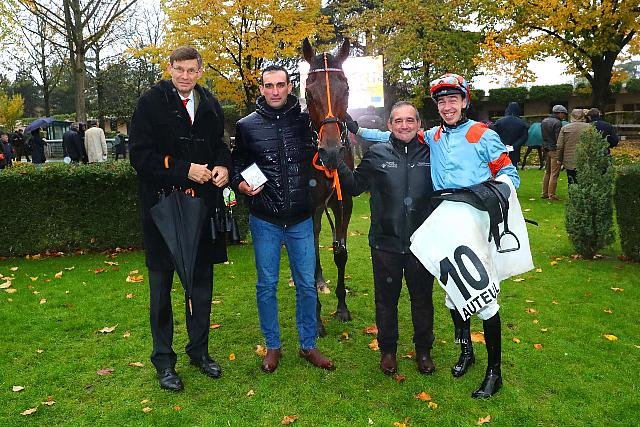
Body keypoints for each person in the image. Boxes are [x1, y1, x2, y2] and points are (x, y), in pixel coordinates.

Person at [354, 73, 520, 398]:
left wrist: (488, 194)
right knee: (455, 295)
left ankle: (495, 371)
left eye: (453, 100)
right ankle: (466, 352)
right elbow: (391, 132)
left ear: (464, 101)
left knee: (484, 299)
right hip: (442, 226)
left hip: (472, 224)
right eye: (442, 102)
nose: (447, 107)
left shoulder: (483, 134)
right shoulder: (433, 135)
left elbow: (509, 174)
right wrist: (355, 129)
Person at [129, 45, 232, 392]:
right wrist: (185, 170)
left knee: (201, 287)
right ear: (170, 68)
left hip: (202, 210)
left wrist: (223, 167)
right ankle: (163, 361)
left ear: (200, 71)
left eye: (191, 70)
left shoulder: (210, 102)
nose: (185, 76)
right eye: (179, 69)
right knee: (161, 290)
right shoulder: (150, 102)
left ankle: (199, 352)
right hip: (162, 210)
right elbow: (140, 156)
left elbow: (220, 145)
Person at [230, 65, 335, 374]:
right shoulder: (246, 125)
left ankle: (308, 344)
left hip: (301, 219)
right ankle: (273, 346)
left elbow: (332, 133)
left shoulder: (306, 122)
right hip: (265, 219)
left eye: (280, 84)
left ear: (290, 87)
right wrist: (240, 183)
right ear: (261, 89)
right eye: (269, 85)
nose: (275, 90)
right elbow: (237, 163)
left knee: (307, 285)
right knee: (267, 285)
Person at [325, 101, 436, 376]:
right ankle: (388, 350)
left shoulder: (432, 153)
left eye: (410, 120)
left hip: (423, 244)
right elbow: (355, 186)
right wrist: (337, 163)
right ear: (389, 125)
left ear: (419, 124)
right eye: (398, 120)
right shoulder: (377, 153)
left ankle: (423, 350)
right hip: (385, 243)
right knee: (386, 301)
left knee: (422, 300)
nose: (404, 125)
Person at [557, 108, 591, 185]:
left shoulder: (565, 128)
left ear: (572, 116)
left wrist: (559, 159)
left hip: (569, 158)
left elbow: (560, 146)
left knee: (571, 181)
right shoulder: (590, 127)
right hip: (585, 157)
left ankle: (572, 192)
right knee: (584, 181)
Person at [541, 104, 567, 201]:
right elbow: (558, 138)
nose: (564, 116)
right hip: (554, 150)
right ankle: (551, 194)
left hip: (546, 148)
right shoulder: (558, 123)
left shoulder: (544, 121)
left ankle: (544, 193)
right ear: (559, 113)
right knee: (554, 173)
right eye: (563, 113)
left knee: (547, 172)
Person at [492, 102, 529, 168]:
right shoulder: (522, 123)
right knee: (513, 169)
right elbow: (524, 137)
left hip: (501, 150)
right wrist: (514, 146)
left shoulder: (499, 122)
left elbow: (495, 135)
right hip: (515, 151)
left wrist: (504, 144)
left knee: (501, 170)